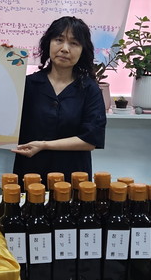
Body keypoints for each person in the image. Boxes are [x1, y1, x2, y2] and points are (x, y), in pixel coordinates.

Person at [12, 16, 106, 185]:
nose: (64, 49)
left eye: (74, 43)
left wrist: (45, 145)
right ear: (48, 43)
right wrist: (2, 61)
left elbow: (90, 140)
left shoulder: (90, 89)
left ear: (83, 50)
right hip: (30, 172)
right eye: (59, 40)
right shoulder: (28, 84)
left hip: (73, 176)